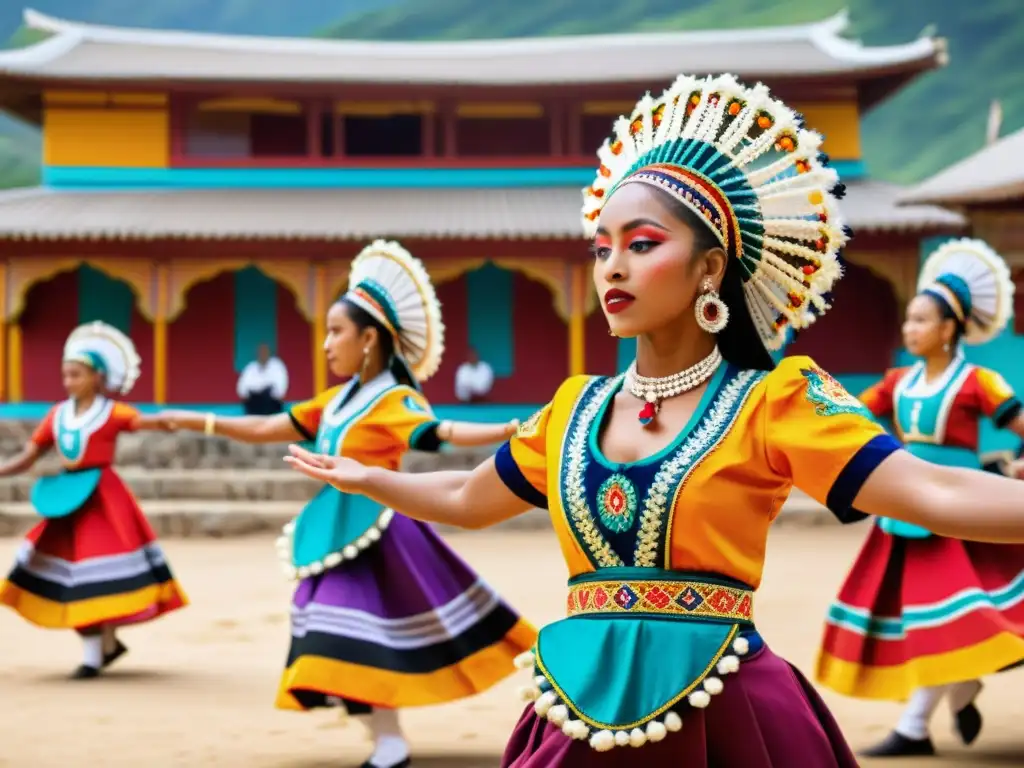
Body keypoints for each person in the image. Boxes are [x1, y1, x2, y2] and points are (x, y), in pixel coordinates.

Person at [284, 73, 1024, 767]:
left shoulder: (774, 400)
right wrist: (368, 478)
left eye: (641, 245)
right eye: (602, 248)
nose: (611, 267)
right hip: (575, 706)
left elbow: (938, 492)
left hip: (724, 710)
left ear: (710, 267)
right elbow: (468, 500)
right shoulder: (574, 409)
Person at [160, 240, 536, 768]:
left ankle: (389, 741)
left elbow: (438, 432)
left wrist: (509, 427)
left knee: (352, 629)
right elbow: (269, 426)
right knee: (331, 627)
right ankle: (382, 734)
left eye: (336, 332)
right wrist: (200, 420)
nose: (327, 345)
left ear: (368, 339)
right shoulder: (334, 402)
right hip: (339, 529)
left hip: (381, 531)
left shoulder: (394, 401)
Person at [815, 238, 1024, 758]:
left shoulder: (979, 381)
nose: (909, 330)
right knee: (932, 616)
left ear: (949, 328)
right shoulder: (897, 383)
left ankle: (915, 724)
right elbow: (847, 415)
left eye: (921, 320)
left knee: (947, 614)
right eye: (908, 320)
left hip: (965, 516)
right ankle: (960, 691)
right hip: (907, 510)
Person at [0, 321, 186, 679]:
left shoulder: (113, 412)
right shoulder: (58, 415)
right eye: (65, 375)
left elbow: (148, 422)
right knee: (68, 572)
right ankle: (104, 647)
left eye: (76, 375)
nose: (69, 382)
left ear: (97, 377)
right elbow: (30, 454)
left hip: (105, 502)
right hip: (68, 501)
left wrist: (184, 421)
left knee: (99, 572)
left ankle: (95, 654)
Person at [237, 342, 289, 415]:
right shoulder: (251, 367)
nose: (262, 354)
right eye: (260, 352)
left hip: (271, 401)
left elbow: (281, 387)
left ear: (268, 353)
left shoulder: (277, 365)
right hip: (254, 401)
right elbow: (242, 388)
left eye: (264, 352)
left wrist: (276, 395)